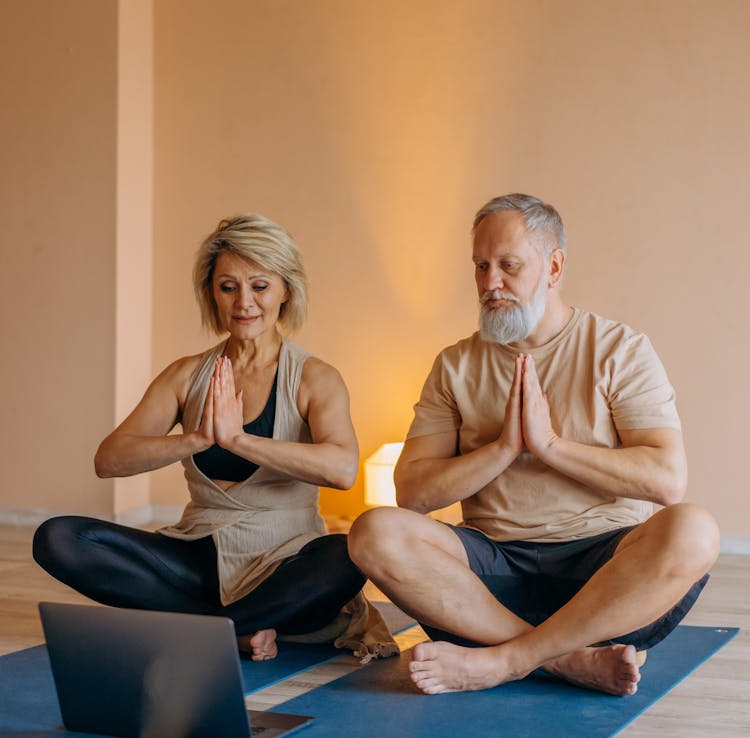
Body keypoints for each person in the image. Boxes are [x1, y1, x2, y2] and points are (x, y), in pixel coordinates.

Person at [348, 193, 720, 695]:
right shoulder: (454, 365)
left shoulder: (619, 349)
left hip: (601, 573)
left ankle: (506, 660)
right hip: (490, 577)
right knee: (372, 532)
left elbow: (666, 480)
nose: (489, 283)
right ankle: (566, 660)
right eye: (480, 266)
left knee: (694, 530)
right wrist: (502, 449)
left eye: (508, 265)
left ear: (554, 266)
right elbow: (412, 493)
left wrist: (549, 446)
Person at [34, 214, 396, 662]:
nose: (244, 302)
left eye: (259, 286)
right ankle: (234, 630)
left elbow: (342, 470)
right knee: (59, 538)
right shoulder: (186, 374)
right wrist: (197, 439)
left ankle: (204, 626)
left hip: (286, 561)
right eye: (228, 287)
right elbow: (109, 459)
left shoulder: (314, 377)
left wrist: (241, 441)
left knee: (347, 552)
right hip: (199, 551)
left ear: (286, 289)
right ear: (212, 294)